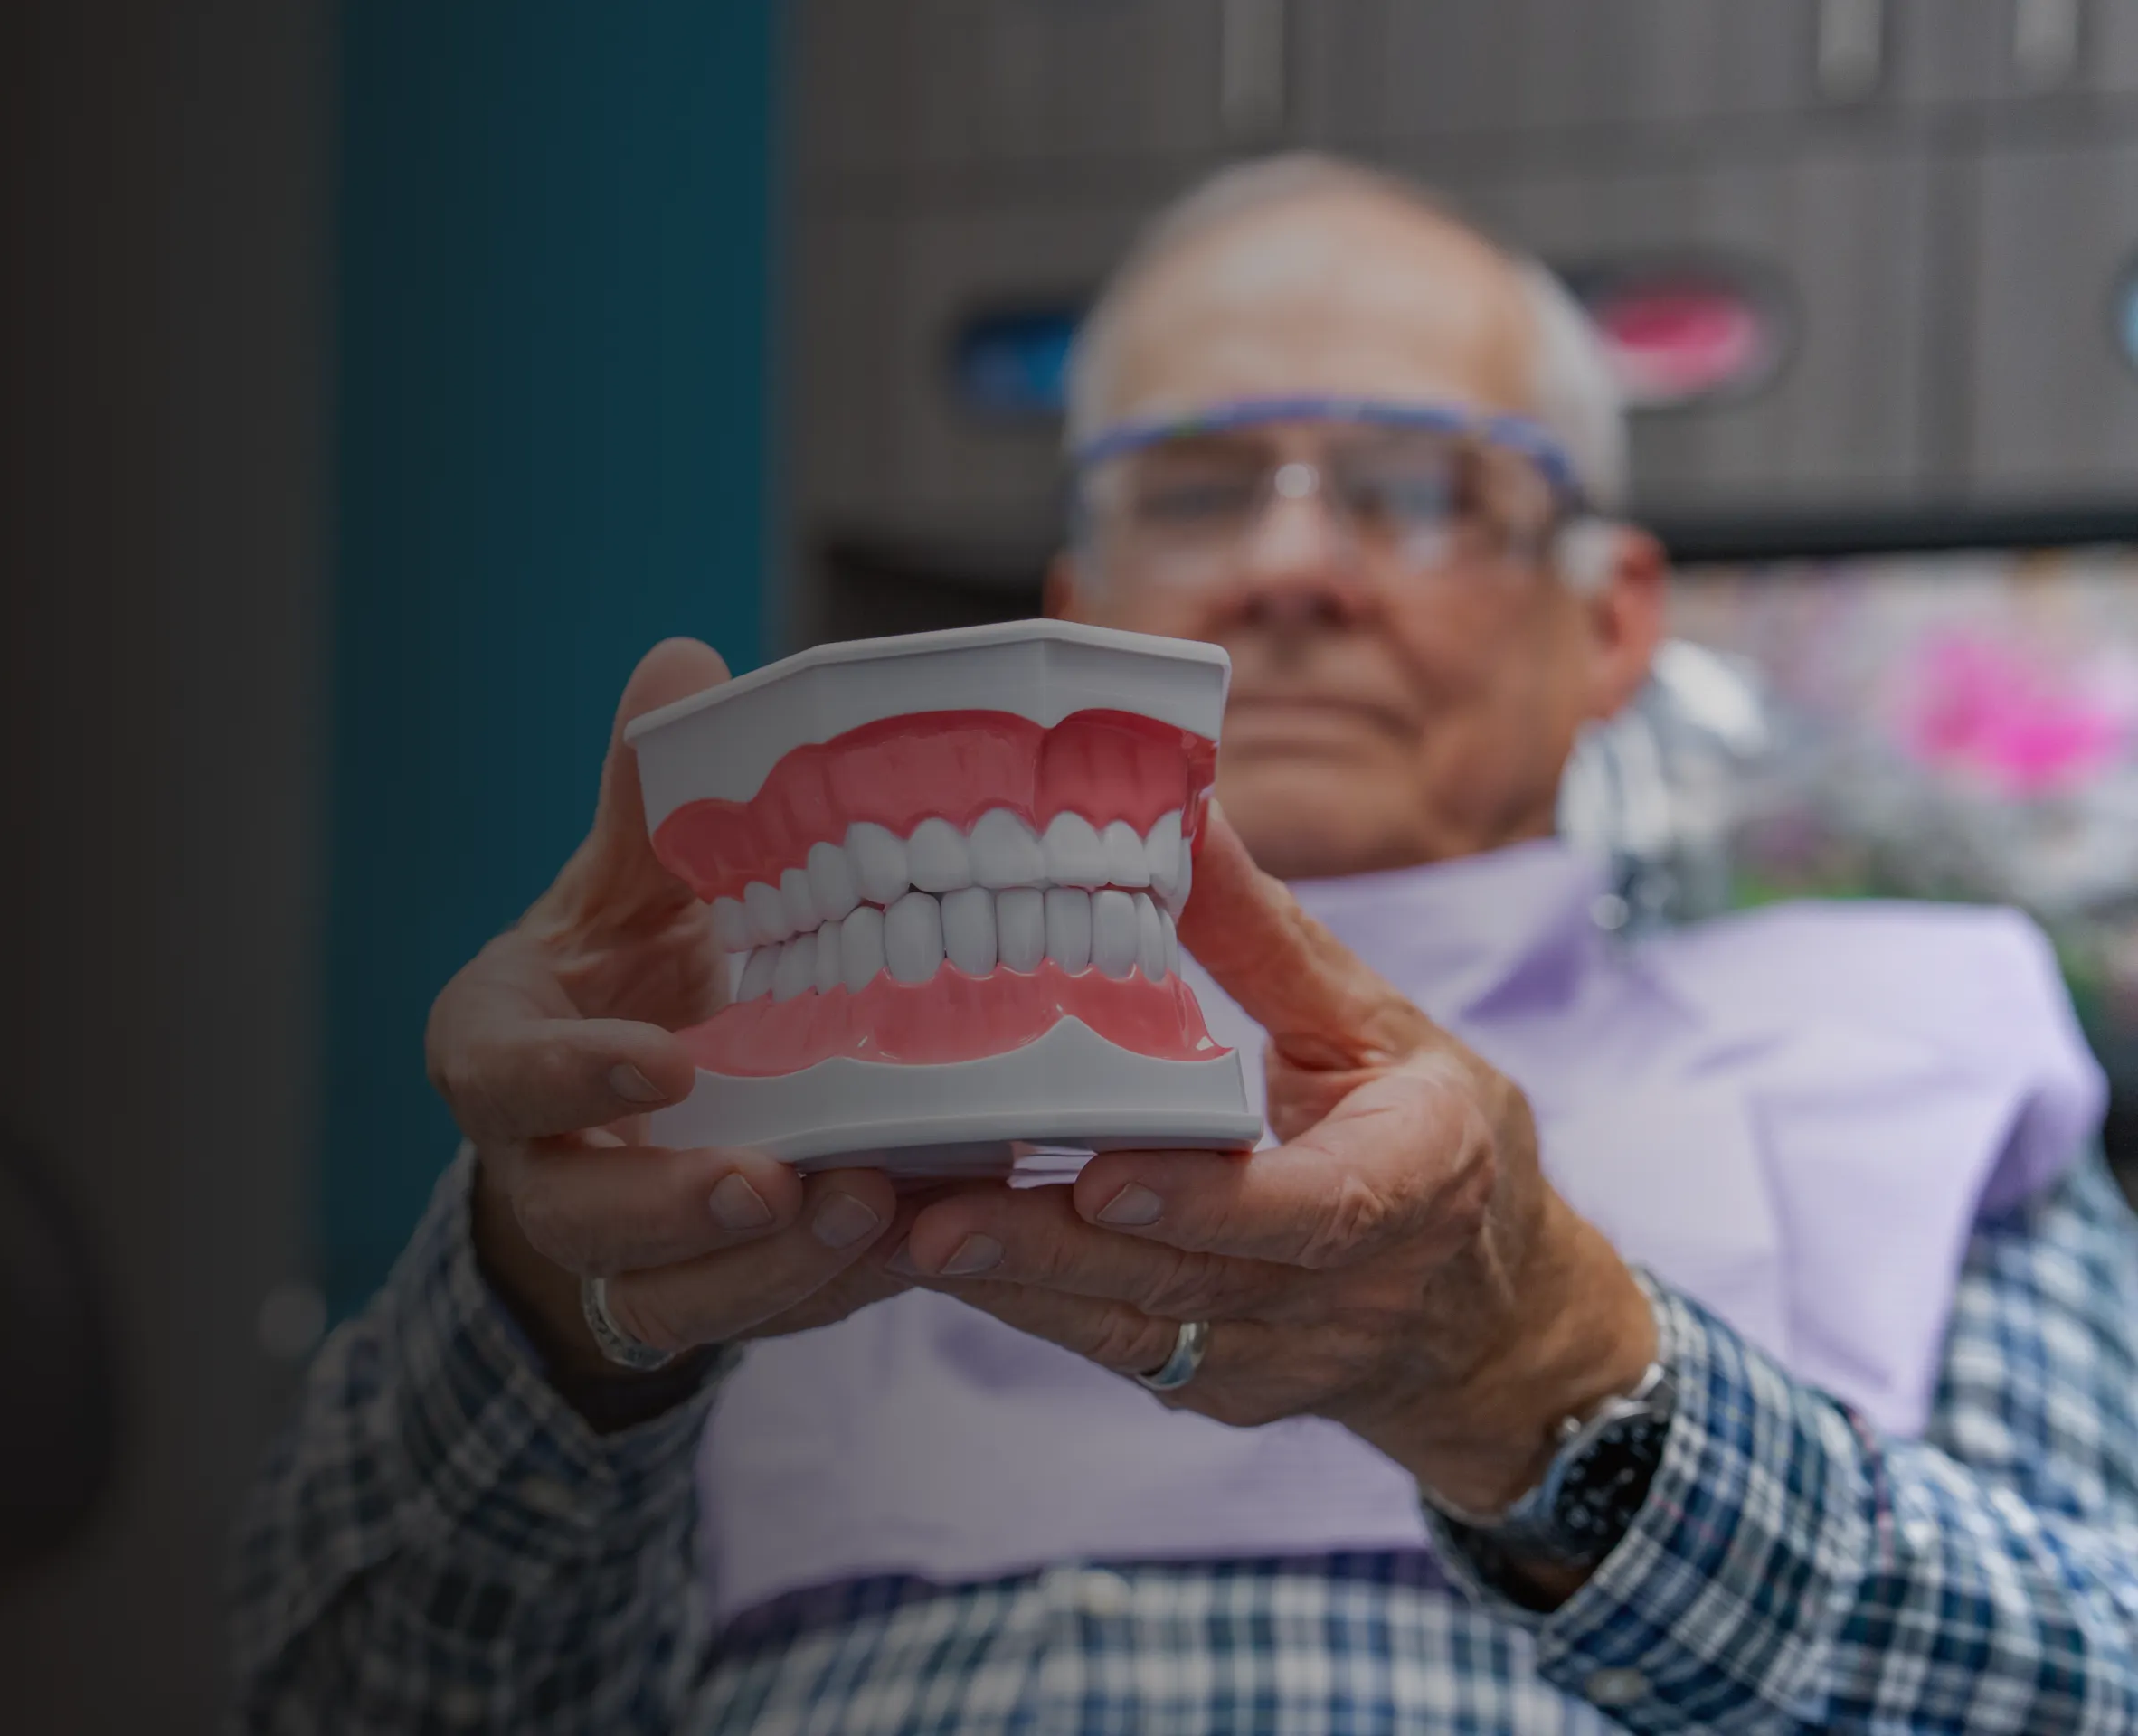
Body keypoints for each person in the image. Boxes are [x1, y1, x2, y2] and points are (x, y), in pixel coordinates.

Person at [229, 155, 2138, 1732]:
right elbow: (341, 1696)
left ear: (1612, 620)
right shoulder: (711, 1114)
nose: (1288, 569)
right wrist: (554, 1320)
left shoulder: (1917, 1075)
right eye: (1198, 489)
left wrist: (1544, 1369)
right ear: (1080, 604)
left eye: (1416, 488)